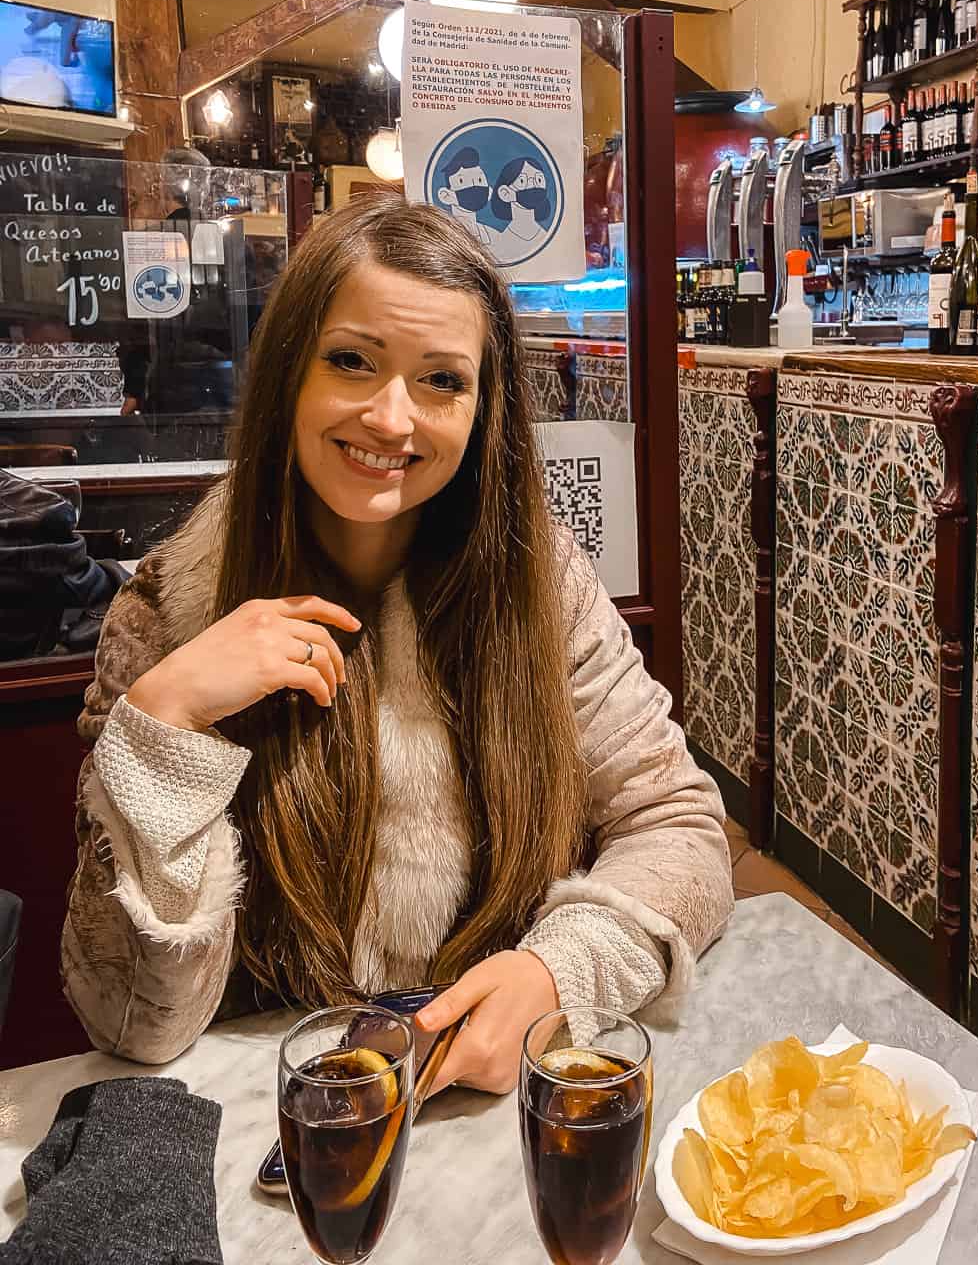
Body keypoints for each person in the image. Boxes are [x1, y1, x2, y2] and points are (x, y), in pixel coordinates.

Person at [62, 197, 733, 1088]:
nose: (391, 418)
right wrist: (166, 724)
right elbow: (132, 1027)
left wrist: (560, 971)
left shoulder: (543, 591)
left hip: (506, 1114)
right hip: (284, 1132)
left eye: (441, 381)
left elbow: (677, 821)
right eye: (351, 362)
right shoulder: (163, 618)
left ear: (482, 408)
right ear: (287, 375)